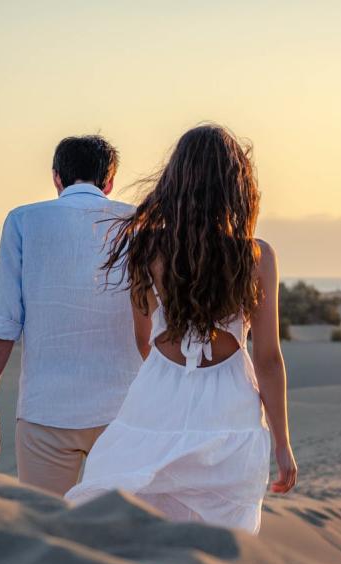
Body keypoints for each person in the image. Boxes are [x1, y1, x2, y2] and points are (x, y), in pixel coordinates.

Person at [65, 125, 297, 534]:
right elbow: (267, 358)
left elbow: (143, 339)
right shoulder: (256, 256)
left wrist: (171, 384)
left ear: (175, 181)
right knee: (226, 531)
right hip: (229, 402)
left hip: (158, 392)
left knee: (142, 513)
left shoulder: (145, 249)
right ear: (235, 186)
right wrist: (282, 444)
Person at [0, 135, 142, 496]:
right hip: (126, 411)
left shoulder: (23, 221)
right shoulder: (139, 224)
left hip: (45, 410)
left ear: (56, 177)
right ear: (109, 182)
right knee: (122, 533)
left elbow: (4, 321)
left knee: (45, 528)